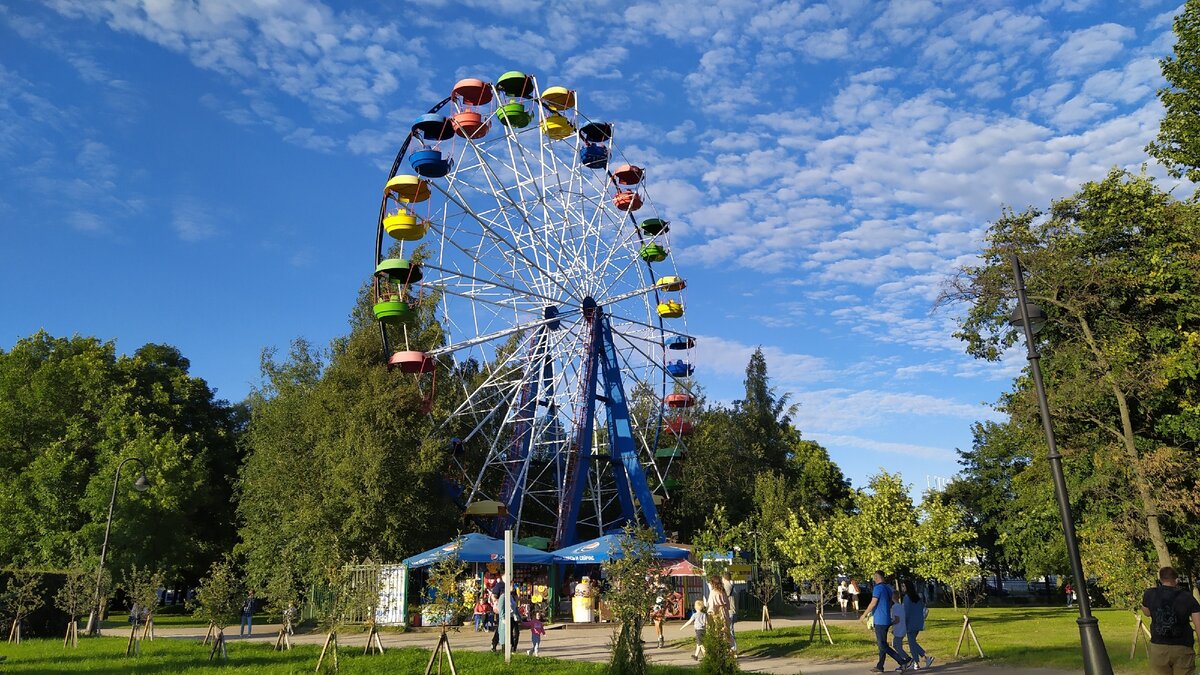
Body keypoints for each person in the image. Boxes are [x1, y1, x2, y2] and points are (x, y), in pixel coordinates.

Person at [1142, 566, 1200, 675]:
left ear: (1160, 579)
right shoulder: (1187, 597)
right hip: (1182, 647)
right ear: (1176, 580)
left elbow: (1146, 612)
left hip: (1158, 646)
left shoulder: (1150, 594)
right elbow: (1198, 624)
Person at [860, 571, 913, 673]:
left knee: (883, 645)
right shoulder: (888, 588)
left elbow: (873, 602)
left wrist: (864, 614)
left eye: (874, 577)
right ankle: (880, 665)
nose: (874, 579)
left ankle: (903, 661)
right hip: (886, 618)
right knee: (882, 644)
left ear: (877, 577)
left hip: (880, 619)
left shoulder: (878, 588)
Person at [902, 581, 933, 670]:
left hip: (910, 623)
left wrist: (904, 623)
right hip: (918, 622)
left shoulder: (907, 598)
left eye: (904, 586)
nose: (903, 588)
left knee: (912, 643)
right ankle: (923, 659)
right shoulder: (917, 598)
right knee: (913, 642)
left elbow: (906, 612)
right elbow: (922, 608)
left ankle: (917, 662)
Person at [889, 590, 911, 665]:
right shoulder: (901, 606)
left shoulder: (894, 607)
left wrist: (889, 624)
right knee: (896, 645)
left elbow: (897, 620)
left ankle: (907, 659)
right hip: (902, 628)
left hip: (899, 629)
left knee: (896, 645)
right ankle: (906, 658)